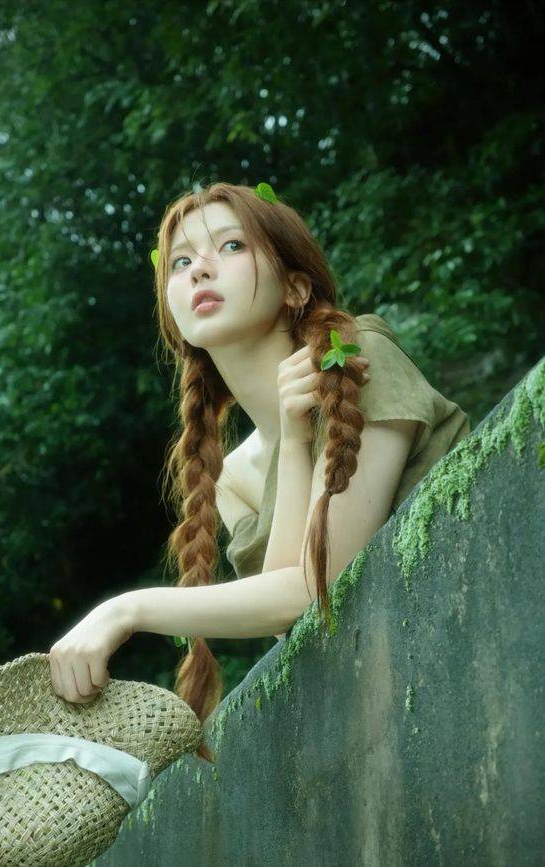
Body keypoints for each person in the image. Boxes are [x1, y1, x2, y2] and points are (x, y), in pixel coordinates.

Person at [48, 182, 470, 764]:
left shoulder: (353, 357)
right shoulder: (234, 478)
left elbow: (311, 588)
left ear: (295, 287)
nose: (200, 270)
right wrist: (293, 442)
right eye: (181, 262)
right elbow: (294, 623)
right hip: (406, 717)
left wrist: (126, 610)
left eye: (231, 246)